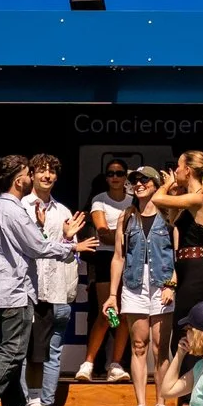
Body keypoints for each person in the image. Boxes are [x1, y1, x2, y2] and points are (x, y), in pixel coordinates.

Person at [0, 154, 82, 406]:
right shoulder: (11, 209)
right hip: (14, 289)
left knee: (13, 351)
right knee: (14, 350)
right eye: (29, 173)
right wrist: (72, 247)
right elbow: (38, 247)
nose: (33, 177)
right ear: (19, 180)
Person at [154, 149, 203, 406]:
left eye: (179, 166)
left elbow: (157, 198)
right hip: (188, 271)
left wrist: (167, 185)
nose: (176, 169)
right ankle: (189, 403)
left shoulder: (198, 197)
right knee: (184, 337)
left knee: (188, 336)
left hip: (196, 273)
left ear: (188, 169)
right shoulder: (197, 200)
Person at [104, 166, 179, 406]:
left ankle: (161, 402)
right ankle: (140, 404)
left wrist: (171, 284)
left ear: (156, 184)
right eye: (135, 180)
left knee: (160, 347)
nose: (139, 184)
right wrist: (112, 295)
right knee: (138, 345)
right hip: (134, 284)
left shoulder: (169, 215)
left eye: (144, 179)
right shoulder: (126, 216)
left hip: (161, 283)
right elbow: (118, 257)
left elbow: (178, 256)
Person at [26, 155, 81, 406]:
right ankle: (26, 403)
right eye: (41, 171)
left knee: (52, 352)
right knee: (26, 351)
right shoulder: (22, 206)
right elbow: (27, 246)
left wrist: (70, 241)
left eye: (51, 172)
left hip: (58, 289)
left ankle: (44, 405)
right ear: (32, 174)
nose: (46, 176)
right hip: (28, 290)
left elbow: (72, 253)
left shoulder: (63, 211)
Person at [73, 161, 135, 384]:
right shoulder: (100, 199)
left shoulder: (133, 201)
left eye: (119, 173)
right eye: (111, 174)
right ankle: (88, 363)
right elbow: (101, 232)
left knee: (126, 312)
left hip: (130, 258)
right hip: (105, 258)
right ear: (106, 177)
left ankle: (116, 364)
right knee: (106, 312)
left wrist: (116, 236)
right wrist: (126, 236)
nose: (115, 177)